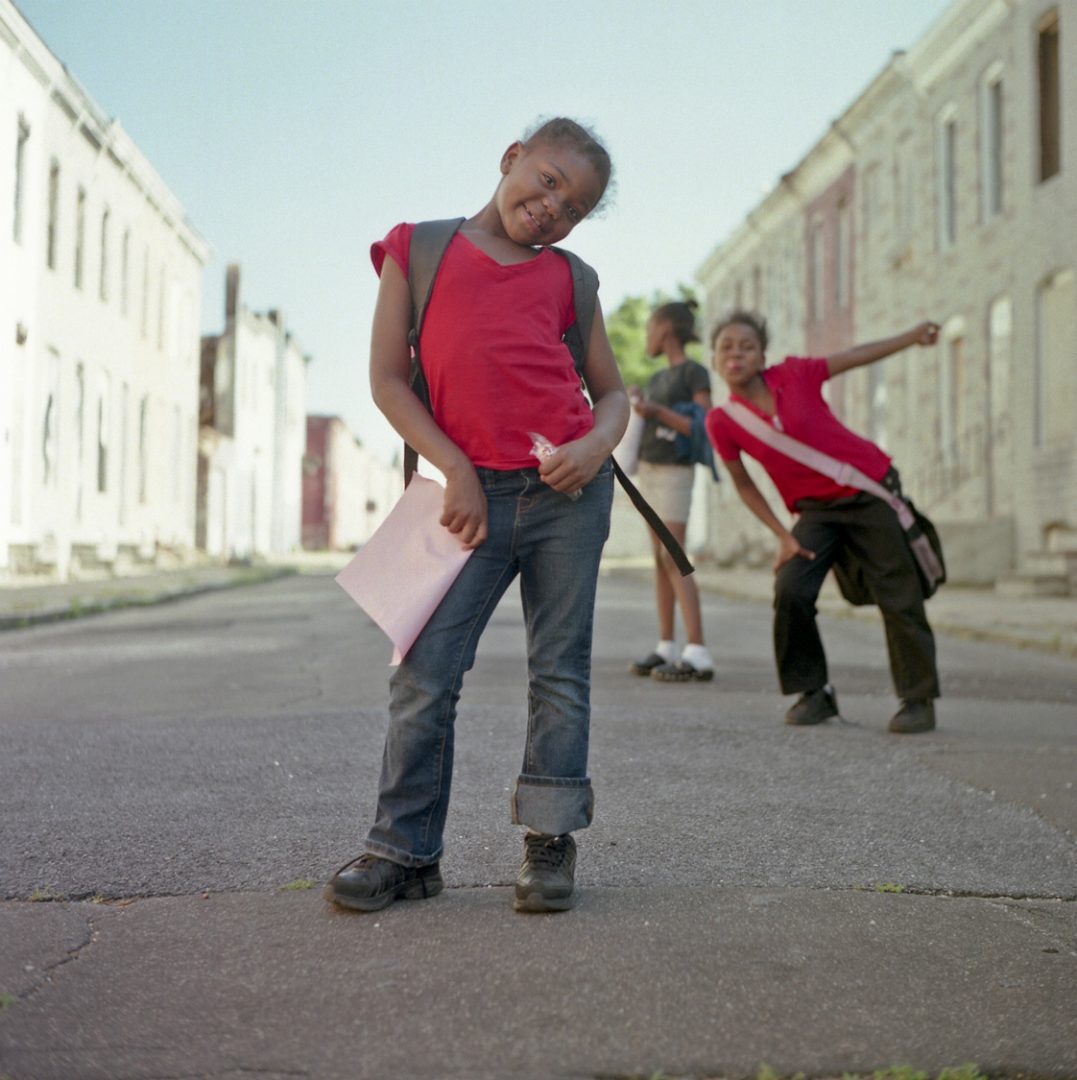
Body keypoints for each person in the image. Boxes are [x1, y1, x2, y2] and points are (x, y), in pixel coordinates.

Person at [324, 118, 628, 915]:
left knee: (558, 671)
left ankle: (549, 843)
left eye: (575, 206)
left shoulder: (571, 278)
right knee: (425, 673)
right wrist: (453, 466)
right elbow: (388, 380)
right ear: (511, 159)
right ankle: (404, 852)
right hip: (465, 501)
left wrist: (595, 448)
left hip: (568, 497)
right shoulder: (418, 249)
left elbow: (614, 394)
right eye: (550, 180)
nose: (553, 208)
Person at [705, 310, 941, 734]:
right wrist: (781, 535)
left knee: (898, 592)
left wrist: (910, 336)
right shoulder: (722, 422)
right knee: (791, 587)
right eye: (726, 346)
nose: (736, 353)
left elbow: (857, 355)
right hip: (814, 511)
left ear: (762, 356)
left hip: (868, 491)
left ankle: (918, 699)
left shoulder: (797, 373)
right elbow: (743, 485)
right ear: (715, 358)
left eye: (747, 346)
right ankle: (813, 693)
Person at [628, 300, 716, 682]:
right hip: (649, 469)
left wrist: (656, 413)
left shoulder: (694, 373)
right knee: (659, 558)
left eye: (649, 330)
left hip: (676, 472)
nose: (647, 338)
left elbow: (703, 426)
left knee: (673, 555)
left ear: (665, 330)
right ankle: (667, 645)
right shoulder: (658, 378)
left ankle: (697, 650)